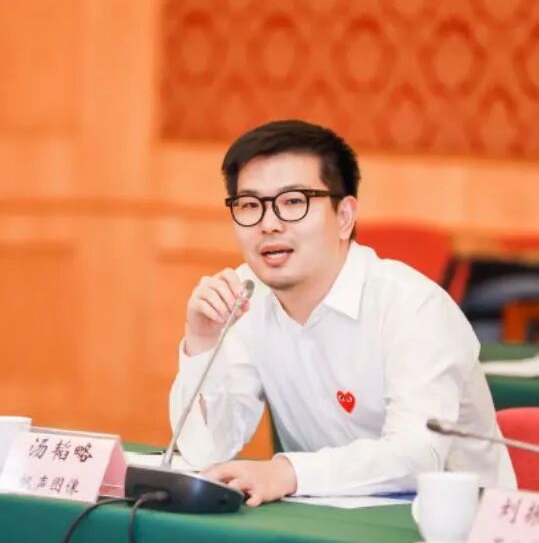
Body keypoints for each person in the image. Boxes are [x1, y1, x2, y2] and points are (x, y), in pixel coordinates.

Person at [169, 120, 516, 507]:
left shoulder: (414, 306)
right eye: (250, 205)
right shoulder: (245, 296)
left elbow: (418, 455)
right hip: (328, 521)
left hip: (461, 527)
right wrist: (203, 343)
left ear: (345, 216)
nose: (269, 224)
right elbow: (207, 449)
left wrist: (290, 472)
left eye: (293, 202)